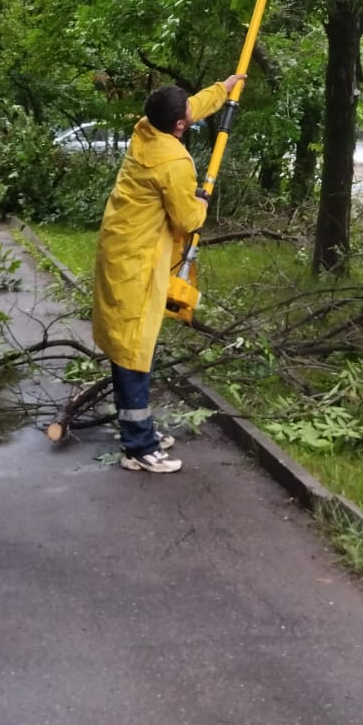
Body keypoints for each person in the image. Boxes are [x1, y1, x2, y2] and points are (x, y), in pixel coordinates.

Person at [91, 75, 243, 473]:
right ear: (179, 125)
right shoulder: (173, 162)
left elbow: (189, 108)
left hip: (122, 250)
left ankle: (138, 431)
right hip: (137, 263)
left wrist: (223, 89)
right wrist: (202, 202)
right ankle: (139, 448)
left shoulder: (146, 129)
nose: (190, 113)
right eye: (186, 113)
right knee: (134, 349)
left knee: (129, 345)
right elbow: (187, 218)